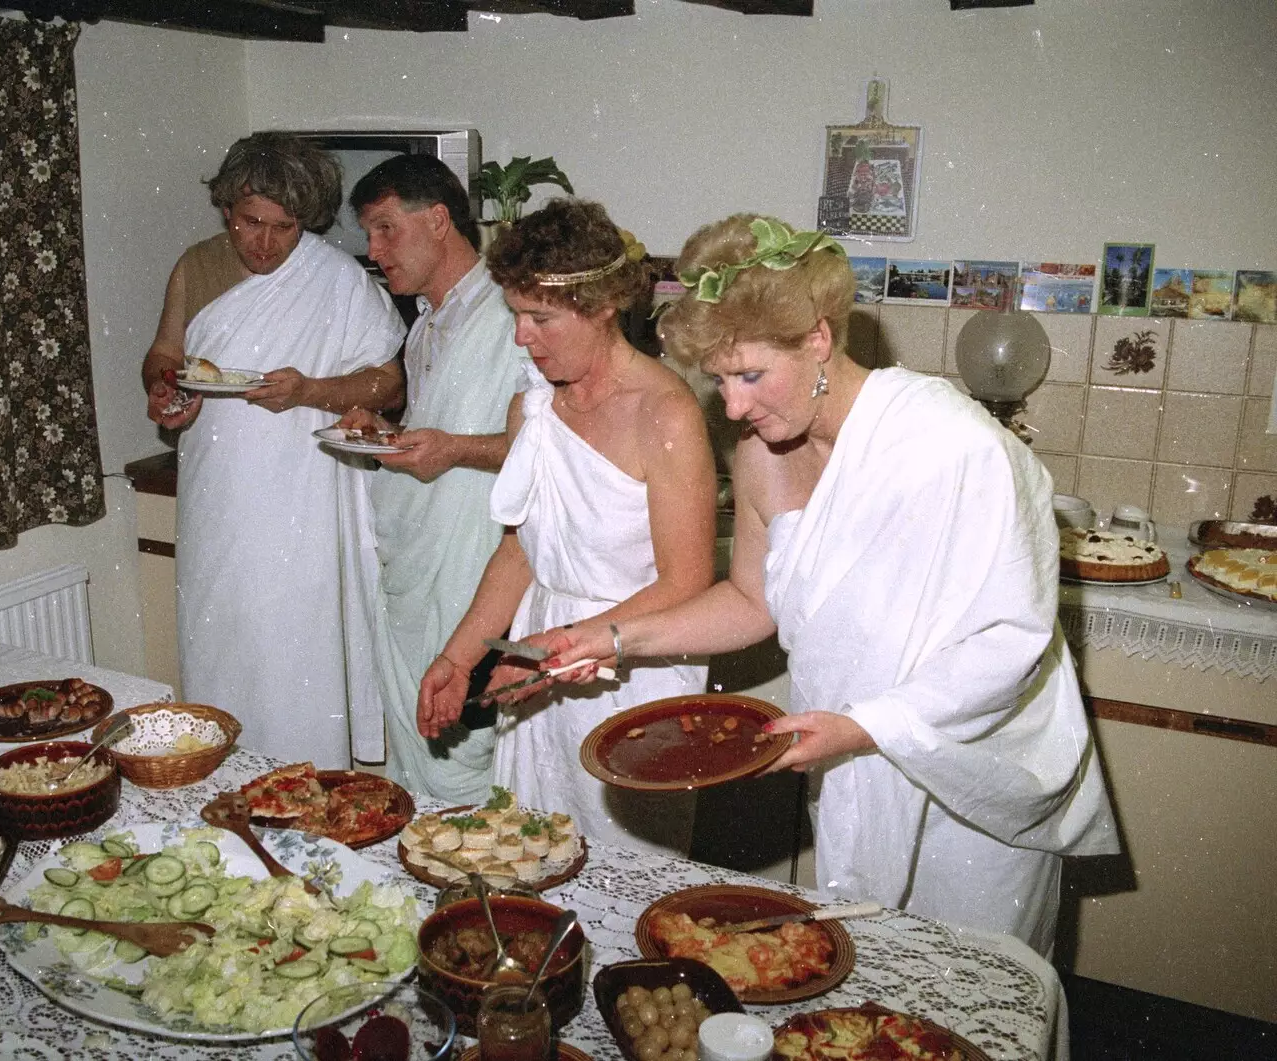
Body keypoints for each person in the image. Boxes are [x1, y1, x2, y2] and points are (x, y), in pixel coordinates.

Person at [545, 214, 1117, 952]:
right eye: (720, 380)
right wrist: (616, 635)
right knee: (872, 977)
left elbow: (1009, 641)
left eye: (750, 374)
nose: (737, 406)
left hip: (969, 775)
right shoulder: (761, 452)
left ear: (818, 337)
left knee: (963, 984)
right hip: (853, 759)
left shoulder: (956, 447)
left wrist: (862, 726)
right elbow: (751, 600)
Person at [416, 200, 716, 855]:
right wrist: (459, 656)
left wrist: (565, 648)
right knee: (532, 857)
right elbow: (521, 551)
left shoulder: (663, 414)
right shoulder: (534, 405)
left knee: (626, 870)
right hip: (541, 659)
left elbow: (689, 582)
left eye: (541, 318)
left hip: (635, 669)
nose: (522, 338)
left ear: (604, 304)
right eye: (515, 316)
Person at [142, 133, 407, 769]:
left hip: (302, 499)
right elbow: (166, 356)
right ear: (226, 208)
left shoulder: (337, 279)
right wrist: (161, 390)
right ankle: (225, 777)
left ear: (306, 223)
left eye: (282, 228)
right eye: (249, 223)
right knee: (221, 633)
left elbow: (390, 384)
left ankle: (304, 780)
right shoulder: (197, 265)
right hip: (217, 494)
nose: (263, 243)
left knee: (295, 644)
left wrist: (311, 390)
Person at [336, 155, 534, 802]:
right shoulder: (423, 324)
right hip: (420, 570)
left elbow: (540, 452)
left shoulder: (512, 319)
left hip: (477, 566)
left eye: (386, 228)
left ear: (439, 219)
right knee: (418, 742)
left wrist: (451, 449)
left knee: (468, 755)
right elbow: (436, 429)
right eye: (368, 233)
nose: (374, 249)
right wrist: (385, 431)